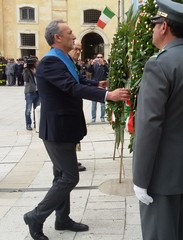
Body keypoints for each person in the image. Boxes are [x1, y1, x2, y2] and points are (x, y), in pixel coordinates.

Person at [23, 19, 129, 240]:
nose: (74, 36)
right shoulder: (51, 62)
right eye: (70, 33)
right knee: (69, 178)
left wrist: (97, 85)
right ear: (57, 38)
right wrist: (107, 96)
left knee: (61, 175)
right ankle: (36, 216)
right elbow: (70, 87)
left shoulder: (63, 59)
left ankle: (62, 219)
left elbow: (77, 79)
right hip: (57, 130)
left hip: (65, 127)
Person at [132, 1, 183, 240]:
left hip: (161, 172)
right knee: (182, 232)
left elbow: (149, 124)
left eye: (155, 25)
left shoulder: (159, 63)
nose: (153, 30)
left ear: (164, 26)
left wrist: (141, 178)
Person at [68, 40, 106, 172]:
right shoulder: (63, 63)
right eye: (76, 49)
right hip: (66, 111)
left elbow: (82, 79)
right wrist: (106, 95)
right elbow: (75, 87)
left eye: (80, 50)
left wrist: (97, 84)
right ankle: (69, 162)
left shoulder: (73, 64)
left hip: (74, 109)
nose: (78, 52)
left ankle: (72, 160)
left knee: (74, 136)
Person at [87, 53, 109, 122]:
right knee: (94, 103)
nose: (99, 58)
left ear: (103, 58)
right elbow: (89, 70)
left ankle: (102, 117)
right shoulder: (94, 65)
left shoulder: (105, 65)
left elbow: (108, 71)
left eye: (101, 57)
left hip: (102, 86)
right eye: (98, 57)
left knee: (102, 103)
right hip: (95, 85)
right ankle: (93, 117)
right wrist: (91, 64)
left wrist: (103, 64)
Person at [23, 57, 40, 131]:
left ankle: (37, 123)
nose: (37, 63)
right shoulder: (26, 70)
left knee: (37, 109)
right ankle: (28, 124)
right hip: (29, 92)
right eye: (36, 62)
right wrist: (25, 69)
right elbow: (26, 79)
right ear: (33, 63)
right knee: (28, 109)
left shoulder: (37, 70)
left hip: (38, 92)